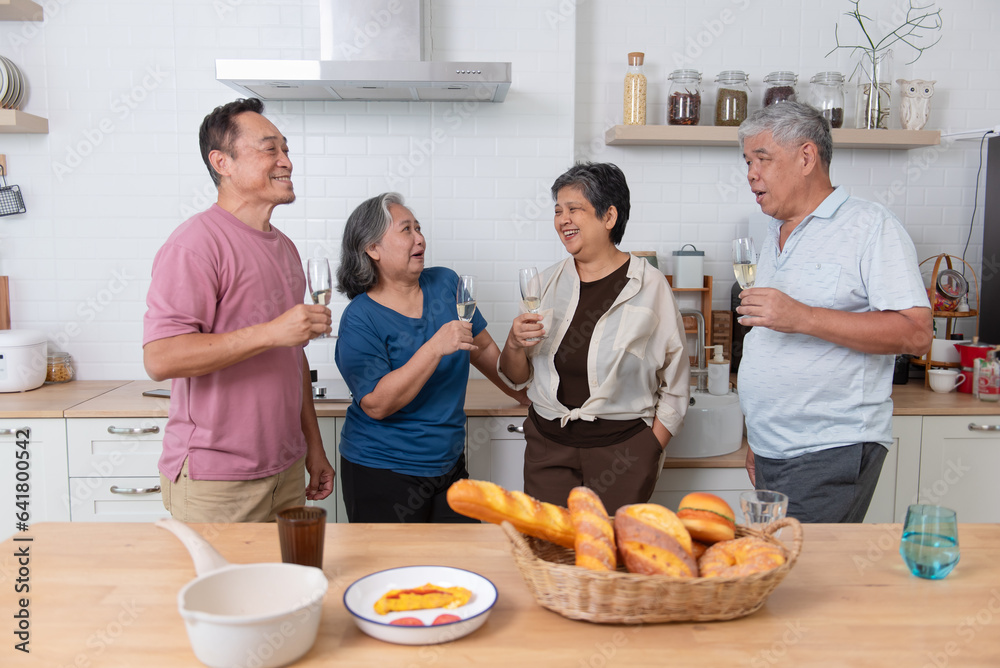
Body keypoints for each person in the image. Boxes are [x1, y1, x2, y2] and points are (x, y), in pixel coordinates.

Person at [735, 101, 932, 523]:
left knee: (807, 581)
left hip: (830, 448)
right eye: (748, 161)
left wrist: (802, 316)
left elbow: (916, 333)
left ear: (806, 157)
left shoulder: (870, 227)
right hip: (775, 446)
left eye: (762, 159)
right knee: (780, 575)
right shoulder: (774, 232)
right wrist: (758, 433)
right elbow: (772, 347)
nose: (751, 173)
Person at [143, 98, 335, 523]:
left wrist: (313, 449)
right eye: (270, 149)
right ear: (222, 162)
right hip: (217, 479)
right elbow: (161, 358)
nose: (286, 161)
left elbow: (292, 356)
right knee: (221, 592)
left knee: (284, 590)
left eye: (286, 149)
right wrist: (271, 332)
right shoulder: (195, 243)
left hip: (284, 471)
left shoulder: (284, 248)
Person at [497, 162, 690, 514]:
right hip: (548, 450)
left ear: (609, 216)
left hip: (622, 456)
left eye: (574, 209)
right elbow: (517, 376)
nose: (562, 219)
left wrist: (650, 447)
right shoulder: (543, 285)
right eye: (558, 211)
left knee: (611, 558)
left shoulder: (650, 287)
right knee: (550, 552)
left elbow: (676, 382)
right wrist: (513, 343)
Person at [334, 192, 526, 523]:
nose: (420, 238)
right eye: (406, 230)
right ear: (372, 248)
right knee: (393, 571)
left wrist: (535, 398)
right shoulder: (360, 318)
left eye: (418, 228)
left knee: (458, 567)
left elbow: (494, 364)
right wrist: (434, 347)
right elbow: (377, 404)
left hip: (448, 466)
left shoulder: (447, 283)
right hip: (381, 469)